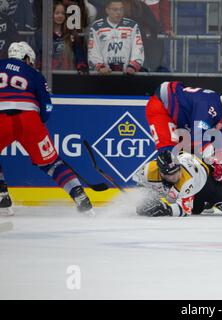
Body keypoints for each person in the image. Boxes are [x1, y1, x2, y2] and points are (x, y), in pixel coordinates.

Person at [0, 42, 94, 216]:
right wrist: (38, 122)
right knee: (51, 163)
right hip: (29, 119)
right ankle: (81, 197)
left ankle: (1, 196)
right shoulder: (34, 74)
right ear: (26, 58)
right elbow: (47, 106)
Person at [146, 81, 222, 162]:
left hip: (182, 118)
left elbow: (219, 141)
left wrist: (221, 160)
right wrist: (211, 157)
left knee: (186, 156)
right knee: (169, 154)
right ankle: (154, 178)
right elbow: (197, 137)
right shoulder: (209, 105)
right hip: (162, 106)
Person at [132, 150, 222, 217]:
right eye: (170, 174)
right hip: (191, 188)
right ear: (160, 172)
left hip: (206, 184)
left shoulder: (186, 179)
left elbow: (184, 210)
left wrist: (166, 209)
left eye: (177, 171)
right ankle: (204, 204)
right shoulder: (148, 171)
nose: (175, 176)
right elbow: (140, 184)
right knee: (196, 210)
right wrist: (144, 200)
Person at [88, 0, 145, 75]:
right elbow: (93, 50)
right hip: (103, 75)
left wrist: (133, 66)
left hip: (127, 74)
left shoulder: (132, 25)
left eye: (121, 9)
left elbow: (138, 47)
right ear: (107, 10)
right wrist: (100, 67)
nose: (119, 12)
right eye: (115, 9)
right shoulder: (97, 26)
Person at [35, 2, 89, 74]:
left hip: (68, 75)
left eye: (63, 13)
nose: (60, 16)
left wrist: (82, 66)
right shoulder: (41, 33)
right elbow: (38, 54)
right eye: (57, 13)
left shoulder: (71, 33)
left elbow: (79, 53)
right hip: (48, 75)